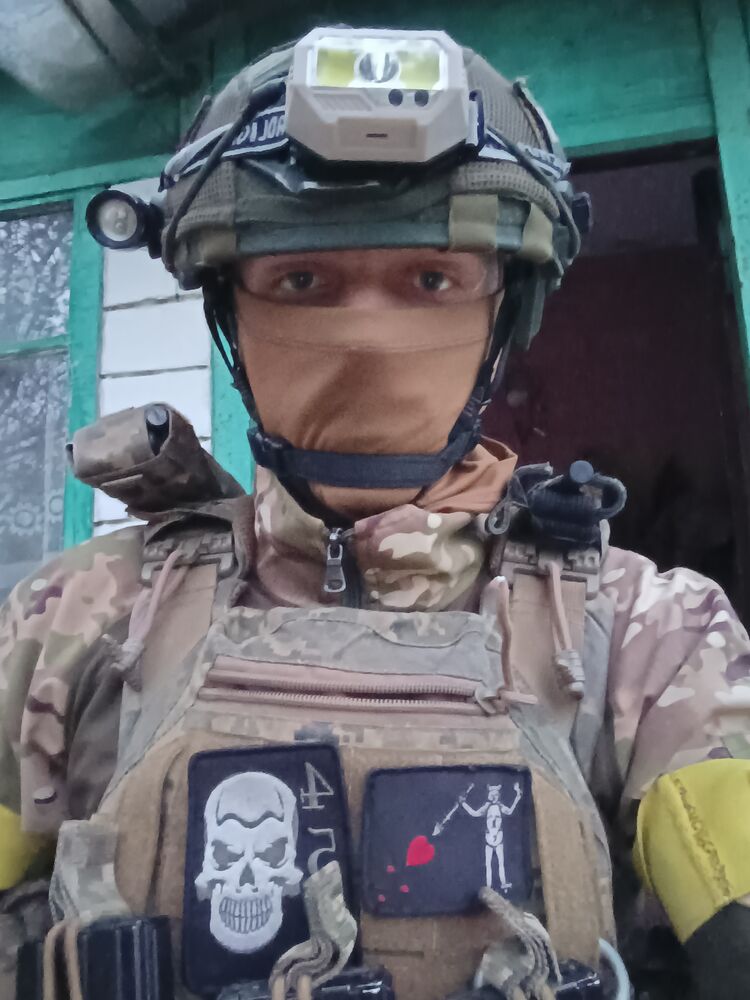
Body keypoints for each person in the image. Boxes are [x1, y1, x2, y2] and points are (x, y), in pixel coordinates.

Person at [2, 25, 750, 1000]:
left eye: (430, 279)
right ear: (230, 311)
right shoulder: (72, 624)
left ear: (504, 313)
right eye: (302, 280)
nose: (364, 336)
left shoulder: (652, 638)